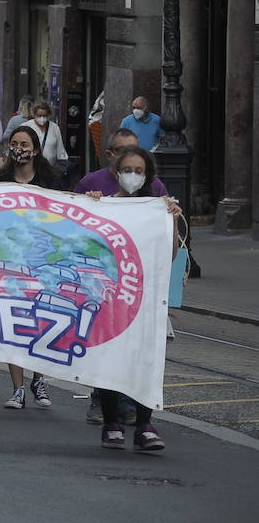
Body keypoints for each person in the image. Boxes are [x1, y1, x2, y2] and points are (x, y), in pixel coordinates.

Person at [83, 147, 179, 452]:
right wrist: (93, 208)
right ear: (116, 172)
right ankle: (111, 422)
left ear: (148, 175)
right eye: (128, 169)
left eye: (140, 171)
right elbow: (88, 246)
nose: (133, 176)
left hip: (146, 298)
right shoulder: (106, 205)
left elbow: (171, 253)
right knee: (110, 359)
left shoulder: (155, 208)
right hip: (111, 297)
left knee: (146, 358)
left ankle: (144, 424)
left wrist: (172, 219)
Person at [0, 126, 64, 410]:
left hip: (43, 261)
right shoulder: (0, 183)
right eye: (13, 143)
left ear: (34, 149)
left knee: (42, 320)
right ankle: (17, 387)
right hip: (12, 261)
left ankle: (39, 377)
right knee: (14, 321)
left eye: (24, 143)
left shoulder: (52, 182)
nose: (18, 148)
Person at [24, 101, 69, 175]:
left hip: (50, 171)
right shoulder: (26, 127)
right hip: (30, 171)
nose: (42, 118)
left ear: (48, 115)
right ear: (34, 115)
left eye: (44, 116)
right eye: (39, 116)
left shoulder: (54, 128)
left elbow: (61, 152)